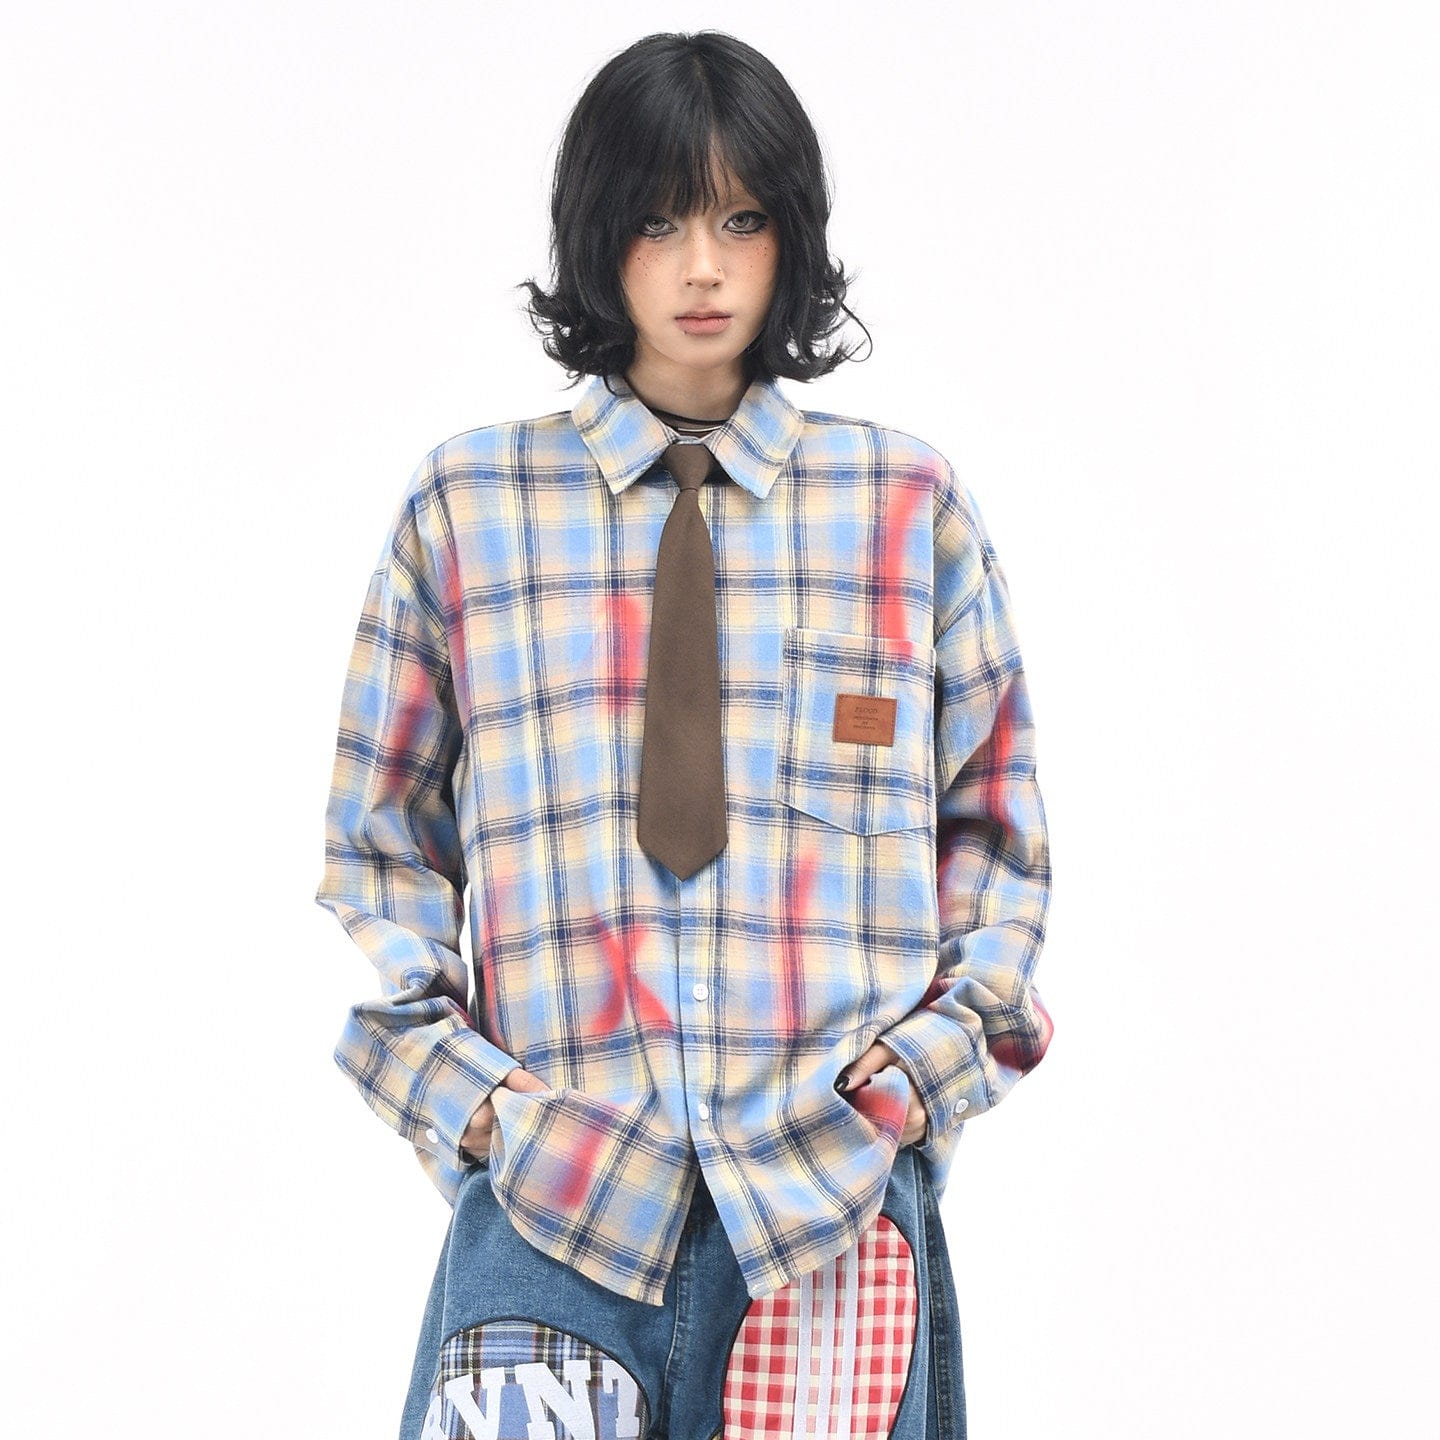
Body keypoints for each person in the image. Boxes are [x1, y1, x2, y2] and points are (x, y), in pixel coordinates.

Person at [313, 29, 1054, 1440]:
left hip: (828, 1217)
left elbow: (997, 841)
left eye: (741, 220)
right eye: (658, 222)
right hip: (559, 1203)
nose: (702, 268)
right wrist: (467, 1100)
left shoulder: (904, 510)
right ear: (597, 237)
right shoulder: (470, 508)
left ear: (793, 237)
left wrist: (919, 1084)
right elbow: (379, 839)